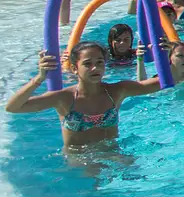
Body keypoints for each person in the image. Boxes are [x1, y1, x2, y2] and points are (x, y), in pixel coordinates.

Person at [7, 46, 163, 147]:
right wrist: (39, 78)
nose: (95, 68)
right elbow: (13, 107)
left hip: (113, 155)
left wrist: (165, 55)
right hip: (78, 162)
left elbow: (162, 83)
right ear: (75, 68)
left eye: (100, 62)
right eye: (88, 64)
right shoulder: (64, 98)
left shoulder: (117, 91)